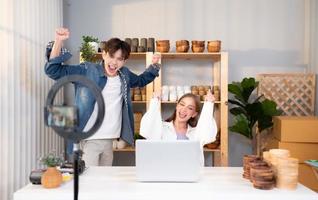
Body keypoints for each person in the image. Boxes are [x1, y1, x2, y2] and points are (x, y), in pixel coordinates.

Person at [45, 27, 161, 166]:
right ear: (104, 54)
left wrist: (153, 67)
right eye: (111, 56)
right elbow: (54, 71)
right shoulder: (87, 70)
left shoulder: (124, 75)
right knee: (89, 181)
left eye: (120, 59)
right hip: (89, 138)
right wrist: (58, 41)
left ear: (124, 61)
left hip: (109, 138)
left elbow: (141, 80)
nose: (114, 62)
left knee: (105, 181)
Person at [139, 90, 217, 164]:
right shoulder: (161, 128)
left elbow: (208, 134)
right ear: (177, 106)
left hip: (190, 175)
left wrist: (209, 105)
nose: (184, 109)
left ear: (194, 114)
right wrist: (154, 101)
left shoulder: (196, 133)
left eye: (190, 108)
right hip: (164, 174)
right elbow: (146, 130)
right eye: (182, 104)